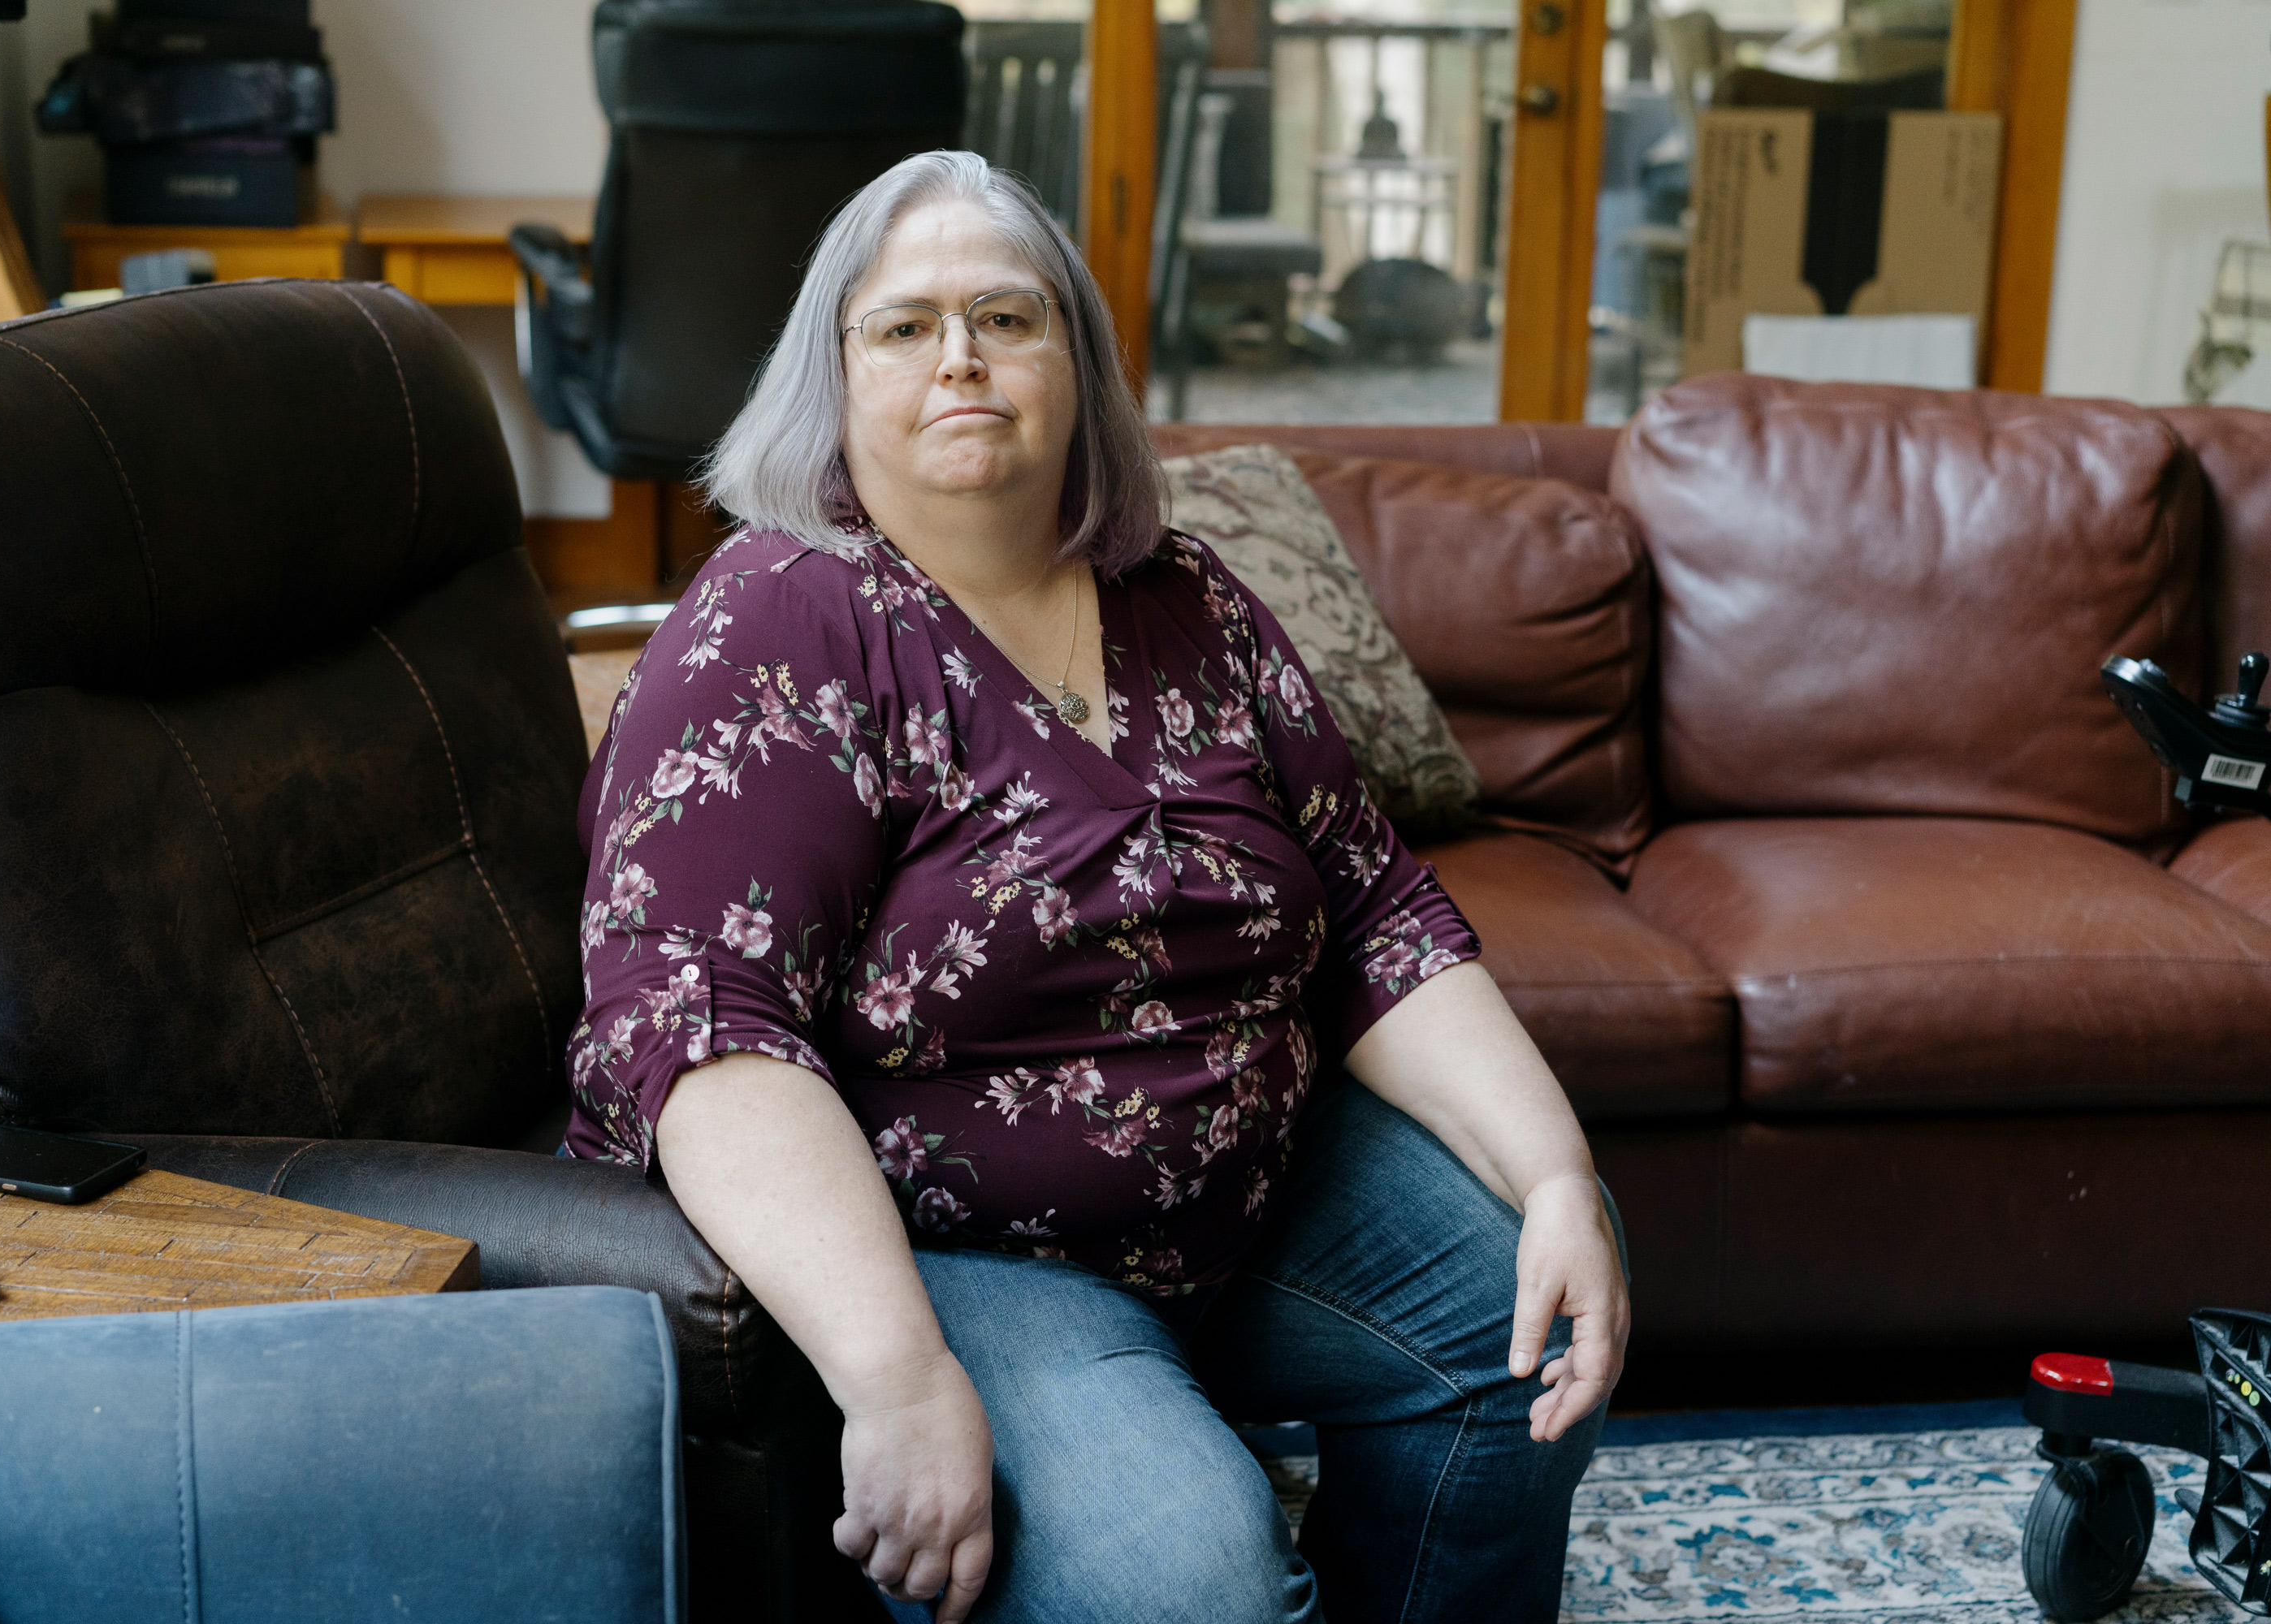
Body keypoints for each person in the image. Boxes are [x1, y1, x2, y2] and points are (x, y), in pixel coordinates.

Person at [562, 149, 1629, 1624]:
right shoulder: (776, 624)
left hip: (1256, 1201)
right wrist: (898, 1374)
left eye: (1009, 318)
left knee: (1531, 1283)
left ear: (1078, 365)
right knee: (1185, 1577)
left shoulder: (1184, 594)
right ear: (836, 375)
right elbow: (699, 1030)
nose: (962, 359)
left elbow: (1377, 912)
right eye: (906, 325)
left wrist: (1562, 1177)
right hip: (958, 1256)